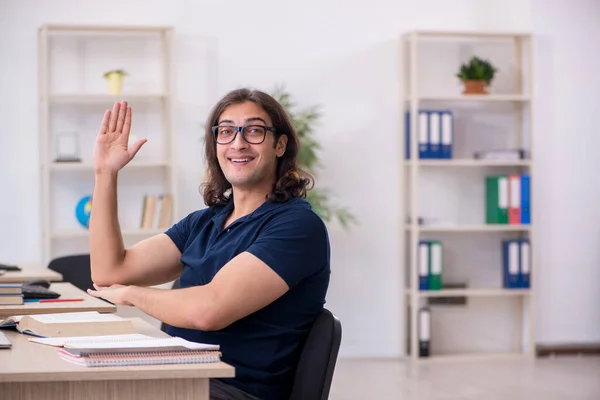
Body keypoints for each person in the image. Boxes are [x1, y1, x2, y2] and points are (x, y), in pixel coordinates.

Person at [86, 88, 331, 400]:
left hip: (229, 390)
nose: (238, 143)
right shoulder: (204, 223)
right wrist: (104, 173)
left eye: (254, 131)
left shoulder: (297, 226)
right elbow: (110, 272)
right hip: (176, 378)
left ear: (280, 144)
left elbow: (209, 310)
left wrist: (132, 294)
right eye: (226, 132)